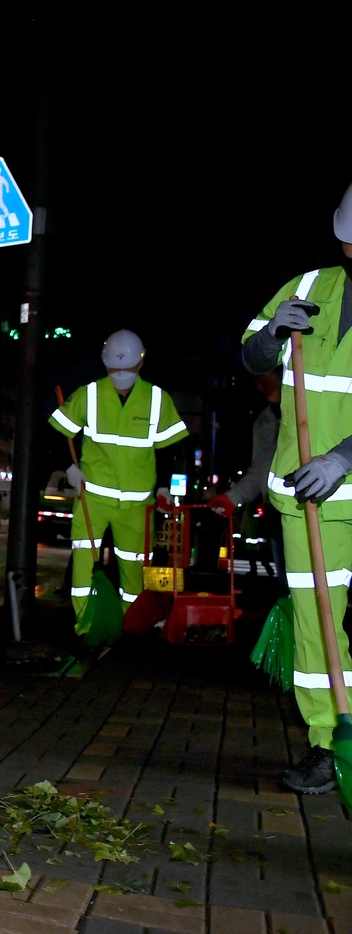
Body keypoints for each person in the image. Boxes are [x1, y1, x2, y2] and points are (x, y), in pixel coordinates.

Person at [241, 181, 352, 794]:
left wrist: (344, 456)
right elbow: (252, 360)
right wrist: (271, 336)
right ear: (344, 238)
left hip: (332, 477)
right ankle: (328, 744)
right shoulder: (306, 289)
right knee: (316, 626)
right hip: (311, 498)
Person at [49, 330, 189, 626]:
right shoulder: (89, 394)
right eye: (115, 367)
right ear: (104, 363)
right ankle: (86, 624)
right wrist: (69, 468)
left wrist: (164, 485)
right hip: (94, 497)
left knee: (135, 566)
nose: (121, 373)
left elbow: (168, 448)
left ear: (141, 363)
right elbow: (56, 433)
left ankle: (131, 624)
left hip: (138, 504)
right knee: (84, 565)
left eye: (126, 367)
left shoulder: (156, 399)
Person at [207, 370, 286, 590]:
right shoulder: (264, 421)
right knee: (290, 583)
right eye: (256, 381)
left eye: (264, 378)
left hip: (310, 508)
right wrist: (233, 498)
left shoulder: (306, 415)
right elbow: (260, 469)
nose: (261, 386)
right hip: (276, 510)